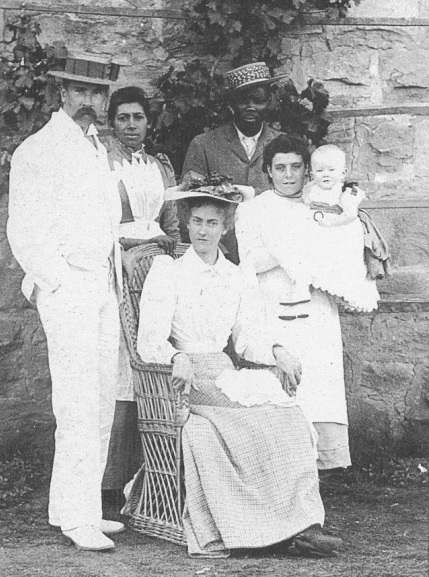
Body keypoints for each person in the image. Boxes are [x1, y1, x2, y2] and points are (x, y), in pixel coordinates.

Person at [132, 176, 343, 558]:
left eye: (212, 223)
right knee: (245, 423)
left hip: (224, 373)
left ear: (226, 227)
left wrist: (278, 349)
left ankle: (301, 523)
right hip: (188, 378)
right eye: (196, 221)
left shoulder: (236, 275)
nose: (203, 230)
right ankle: (264, 528)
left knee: (288, 417)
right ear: (185, 222)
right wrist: (176, 356)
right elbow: (149, 340)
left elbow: (246, 339)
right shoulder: (169, 271)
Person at [7, 54, 125, 552]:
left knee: (98, 400)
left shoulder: (95, 147)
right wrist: (55, 281)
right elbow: (25, 229)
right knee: (77, 401)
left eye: (98, 94)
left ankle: (72, 506)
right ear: (62, 94)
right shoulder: (38, 149)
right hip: (68, 285)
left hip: (100, 282)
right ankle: (80, 517)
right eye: (81, 92)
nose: (90, 103)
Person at [236, 134, 356, 471]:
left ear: (306, 170)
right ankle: (284, 469)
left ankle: (320, 468)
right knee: (285, 383)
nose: (288, 175)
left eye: (296, 167)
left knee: (318, 382)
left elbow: (335, 250)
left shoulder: (319, 203)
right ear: (268, 172)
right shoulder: (252, 210)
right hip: (273, 302)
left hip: (315, 305)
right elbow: (251, 260)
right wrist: (294, 248)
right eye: (280, 168)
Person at [101, 86, 181, 490]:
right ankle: (109, 481)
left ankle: (151, 475)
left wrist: (174, 257)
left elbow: (171, 225)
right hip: (117, 266)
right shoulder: (101, 162)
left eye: (138, 118)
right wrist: (124, 251)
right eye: (123, 118)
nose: (131, 125)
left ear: (149, 122)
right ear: (111, 122)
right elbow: (97, 222)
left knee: (153, 360)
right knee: (119, 365)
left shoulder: (160, 165)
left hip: (156, 268)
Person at [181, 62, 283, 262]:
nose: (251, 107)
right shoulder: (204, 144)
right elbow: (187, 207)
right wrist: (215, 251)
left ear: (270, 100)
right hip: (219, 256)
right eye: (243, 100)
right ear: (231, 103)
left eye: (259, 99)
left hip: (272, 255)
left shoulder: (283, 146)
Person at [304, 143, 379, 312]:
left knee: (342, 258)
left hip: (342, 229)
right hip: (321, 227)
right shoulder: (311, 189)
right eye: (320, 170)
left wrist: (331, 223)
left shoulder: (345, 193)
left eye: (331, 170)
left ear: (343, 173)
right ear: (311, 174)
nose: (326, 175)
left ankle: (345, 291)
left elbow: (350, 215)